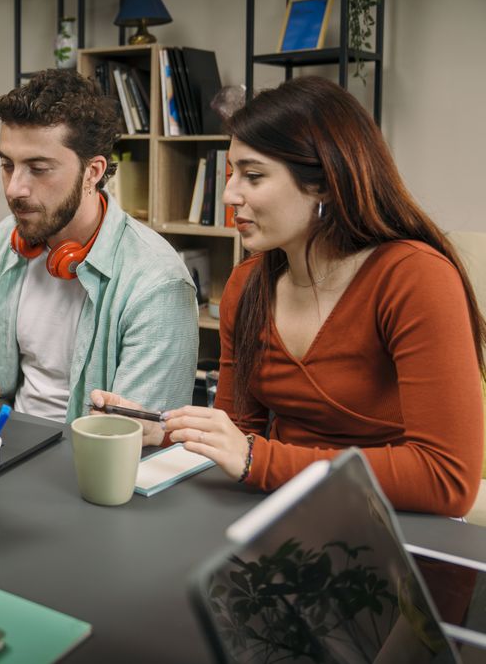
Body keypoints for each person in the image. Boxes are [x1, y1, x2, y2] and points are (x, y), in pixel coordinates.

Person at [93, 76, 484, 517]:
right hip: (282, 516)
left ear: (323, 182)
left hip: (395, 530)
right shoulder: (246, 287)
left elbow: (447, 478)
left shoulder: (414, 277)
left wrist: (260, 459)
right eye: (230, 174)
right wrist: (160, 430)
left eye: (253, 176)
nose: (229, 195)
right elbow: (238, 434)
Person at [0, 69, 199, 424]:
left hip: (91, 464)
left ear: (93, 172)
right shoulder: (2, 242)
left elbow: (136, 437)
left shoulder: (158, 283)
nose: (13, 189)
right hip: (7, 441)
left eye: (38, 168)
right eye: (7, 165)